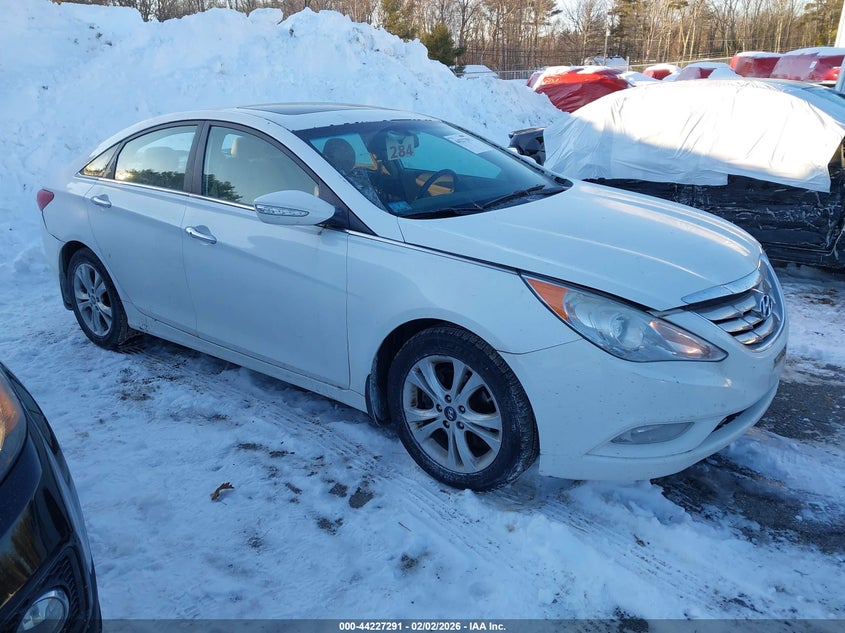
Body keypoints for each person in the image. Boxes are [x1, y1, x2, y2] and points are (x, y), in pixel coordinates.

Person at [321, 137, 386, 210]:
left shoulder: (363, 172)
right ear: (328, 158)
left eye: (349, 150)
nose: (350, 154)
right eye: (343, 151)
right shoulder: (329, 183)